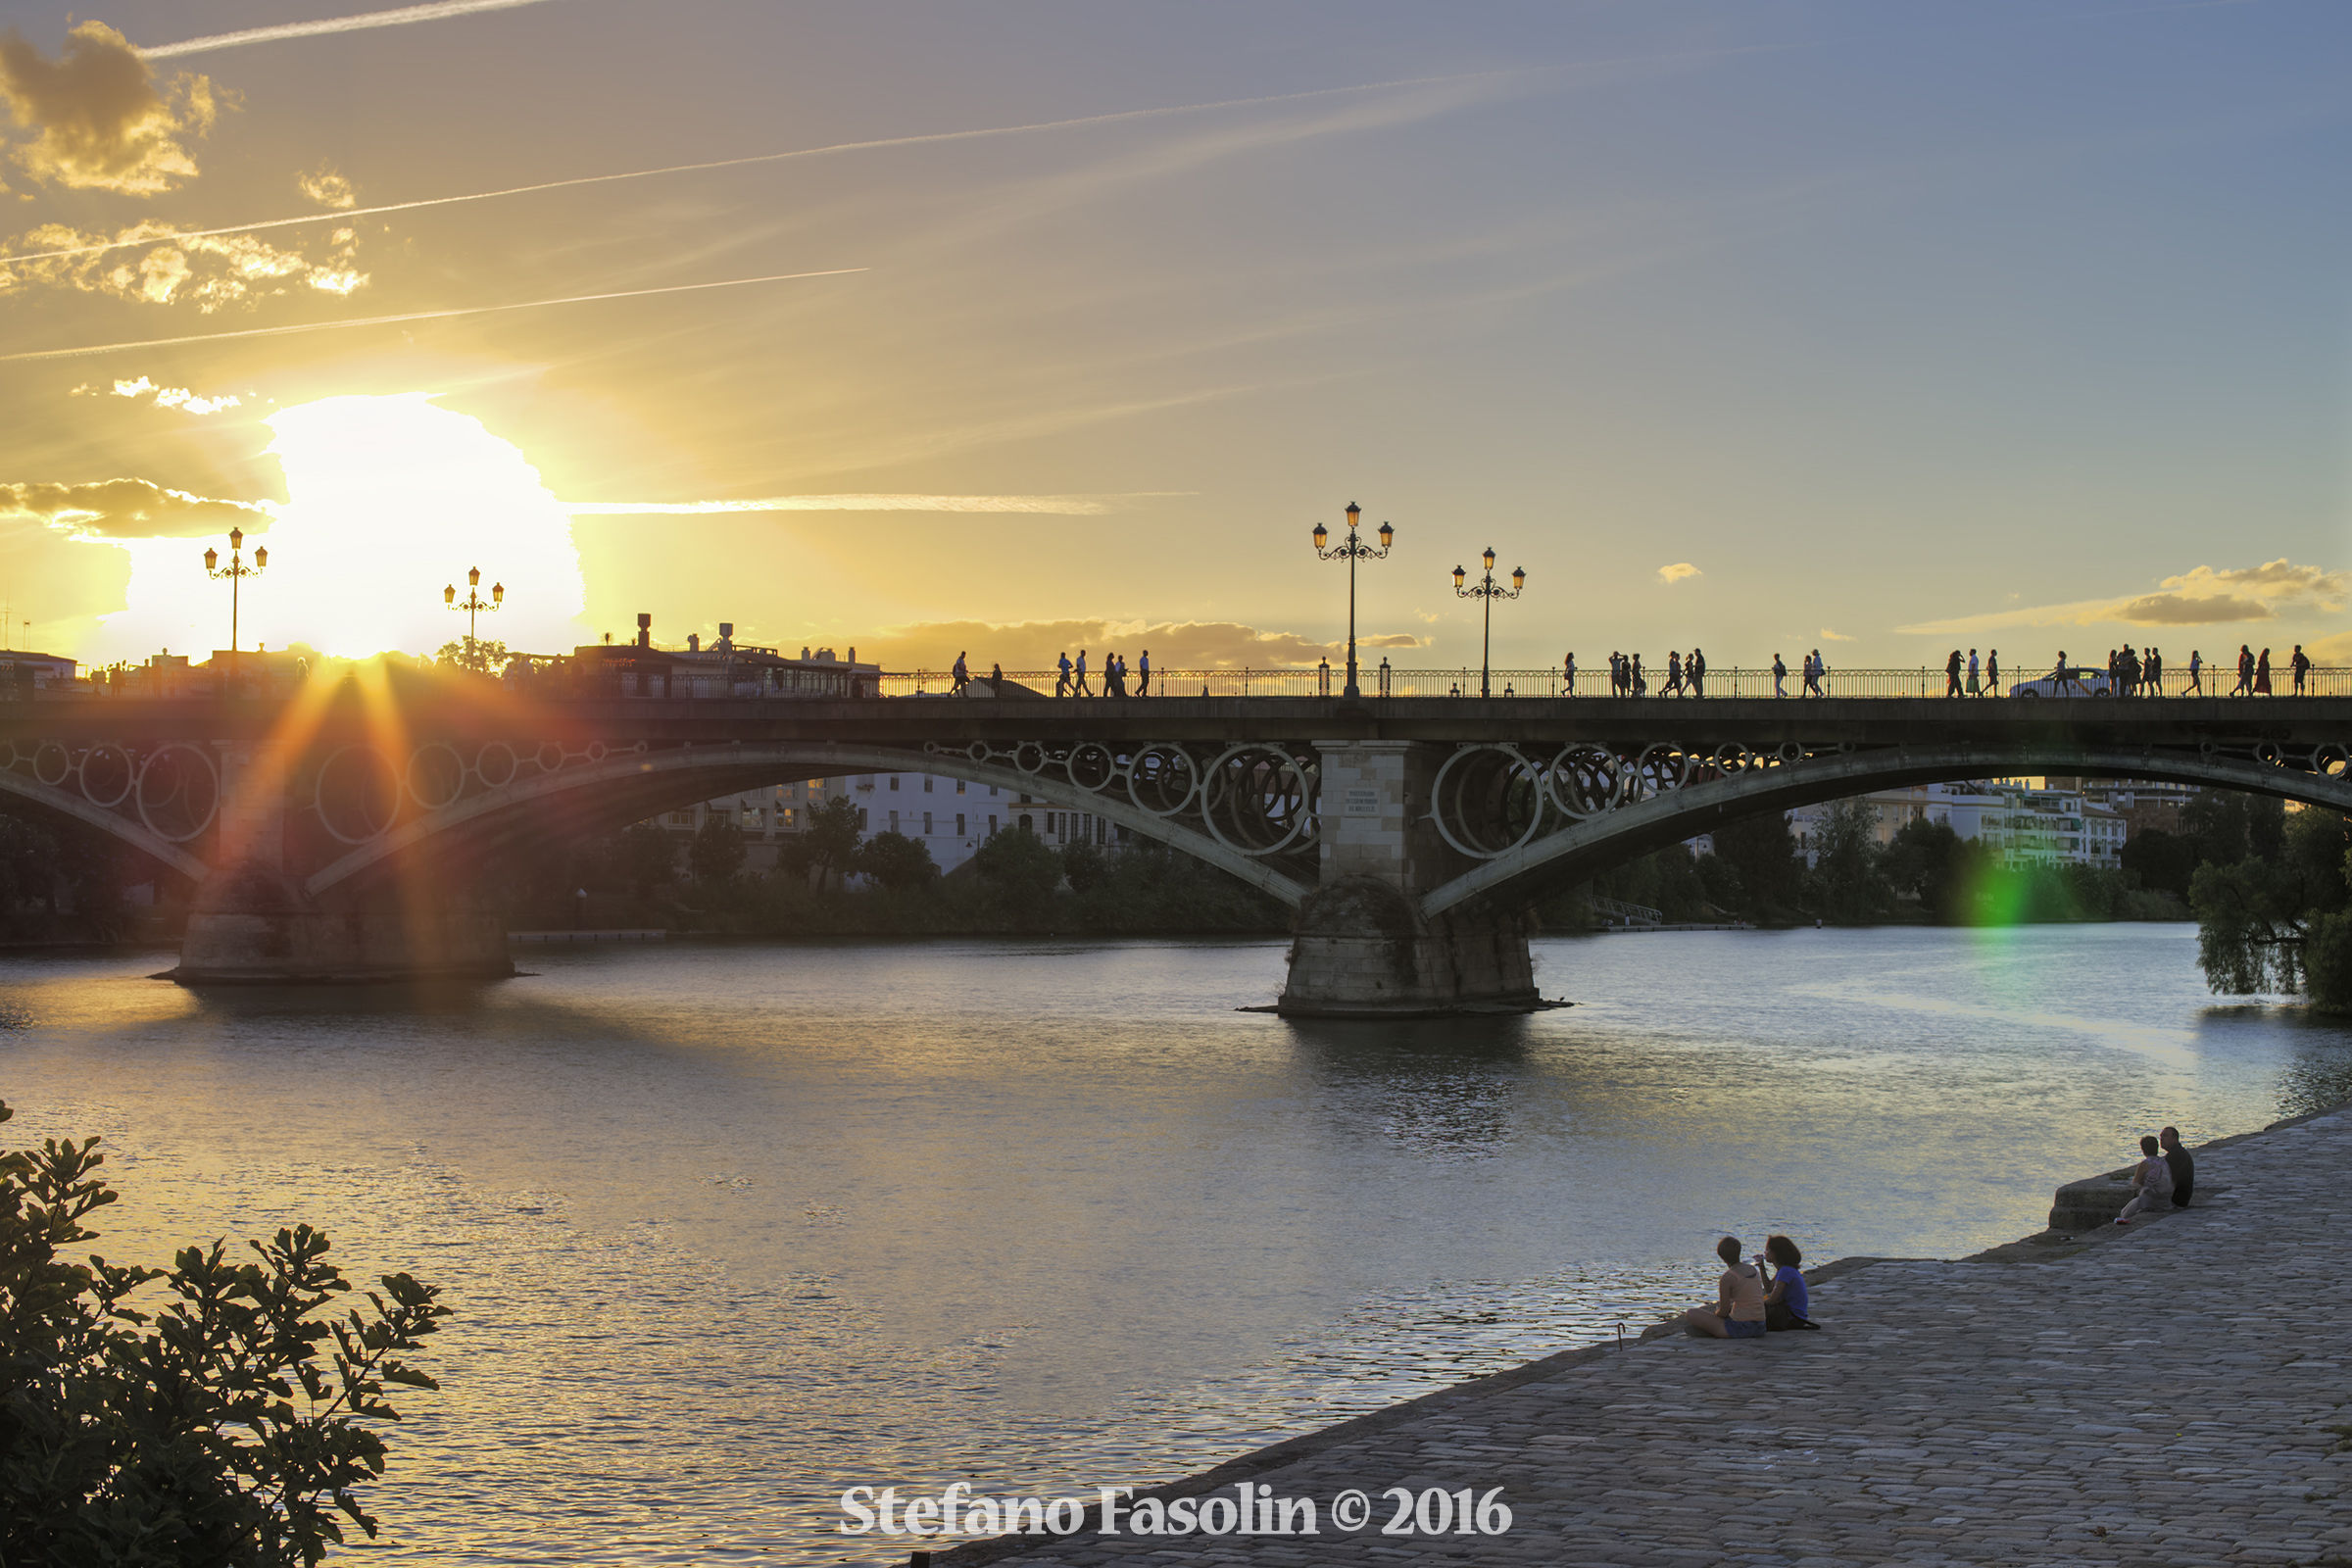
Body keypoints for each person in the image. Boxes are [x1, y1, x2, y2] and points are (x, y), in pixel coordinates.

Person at [1682, 1236, 1768, 1339]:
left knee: (1691, 1313)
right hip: (1760, 1326)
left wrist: (1716, 1314)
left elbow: (1724, 1312)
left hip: (1739, 1328)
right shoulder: (1753, 1269)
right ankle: (1711, 1330)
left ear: (1721, 1256)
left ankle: (1711, 1331)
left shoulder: (1728, 1277)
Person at [1759, 1235, 1818, 1331]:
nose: (1765, 1253)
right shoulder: (1784, 1269)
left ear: (1776, 1253)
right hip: (1793, 1316)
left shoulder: (1785, 1271)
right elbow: (1769, 1288)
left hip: (1793, 1318)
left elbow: (1773, 1299)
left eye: (1767, 1250)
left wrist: (1754, 1304)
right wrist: (1762, 1268)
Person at [2115, 1134, 2175, 1225]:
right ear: (2157, 1147)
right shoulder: (2164, 1161)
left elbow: (2135, 1184)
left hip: (2150, 1201)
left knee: (2124, 1212)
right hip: (2166, 1200)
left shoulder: (2145, 1164)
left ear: (2143, 1149)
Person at [2160, 1126, 2194, 1208]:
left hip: (2176, 1200)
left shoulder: (2175, 1155)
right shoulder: (2178, 1152)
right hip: (2182, 1198)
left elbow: (2169, 1180)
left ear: (2174, 1139)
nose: (2161, 1139)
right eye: (2161, 1136)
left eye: (2165, 1136)